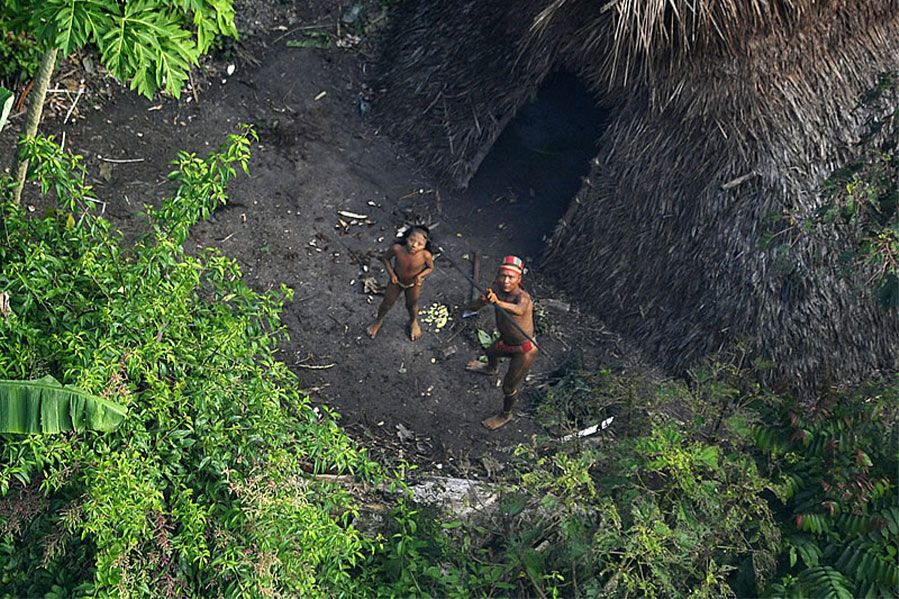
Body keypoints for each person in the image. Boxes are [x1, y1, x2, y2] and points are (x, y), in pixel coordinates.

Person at [466, 255, 537, 430]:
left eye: (511, 277)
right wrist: (482, 301)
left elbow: (519, 310)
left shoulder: (523, 297)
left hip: (524, 350)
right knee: (490, 351)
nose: (506, 281)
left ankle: (506, 414)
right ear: (497, 276)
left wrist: (498, 303)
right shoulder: (495, 290)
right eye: (503, 276)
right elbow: (472, 308)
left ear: (519, 279)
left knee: (508, 386)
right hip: (506, 341)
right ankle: (491, 368)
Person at [366, 226, 434, 341]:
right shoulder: (397, 249)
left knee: (412, 305)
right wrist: (392, 274)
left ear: (425, 245)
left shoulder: (425, 255)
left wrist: (420, 276)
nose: (414, 245)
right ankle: (378, 320)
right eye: (412, 240)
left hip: (413, 284)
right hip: (396, 281)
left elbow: (430, 268)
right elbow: (385, 259)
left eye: (420, 244)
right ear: (406, 238)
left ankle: (413, 321)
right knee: (387, 303)